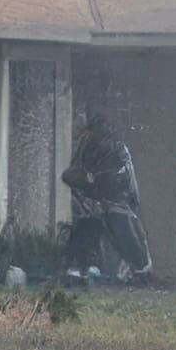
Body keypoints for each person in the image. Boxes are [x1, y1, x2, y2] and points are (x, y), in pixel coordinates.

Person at [61, 112, 151, 282]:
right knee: (87, 227)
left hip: (117, 200)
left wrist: (98, 183)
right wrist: (85, 183)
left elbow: (123, 177)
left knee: (123, 230)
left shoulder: (117, 149)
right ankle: (82, 267)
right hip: (94, 200)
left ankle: (138, 268)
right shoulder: (86, 147)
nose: (90, 136)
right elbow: (74, 172)